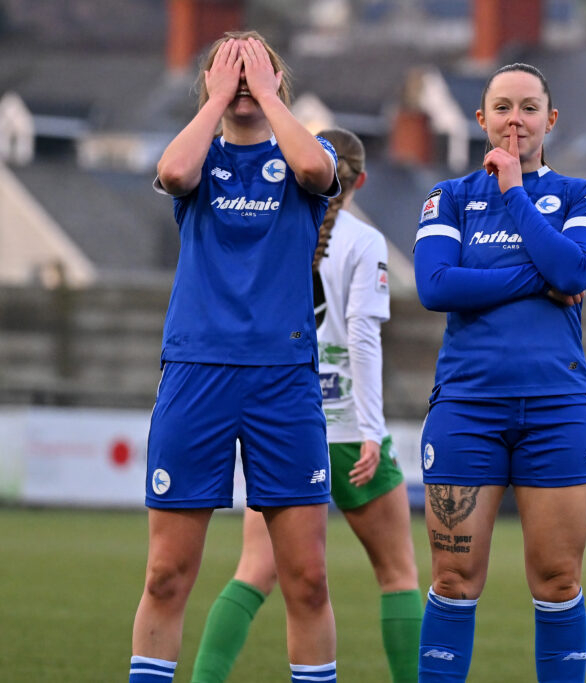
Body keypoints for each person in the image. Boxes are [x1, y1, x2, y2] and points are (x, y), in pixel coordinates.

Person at [130, 32, 341, 683]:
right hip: (198, 372)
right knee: (166, 574)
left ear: (281, 85)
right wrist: (219, 97)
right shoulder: (198, 156)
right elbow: (171, 174)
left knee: (306, 579)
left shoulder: (308, 152)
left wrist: (271, 99)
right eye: (231, 70)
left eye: (261, 70)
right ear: (210, 85)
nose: (246, 79)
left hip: (284, 379)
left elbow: (317, 173)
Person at [189, 128, 423, 683]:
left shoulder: (269, 229)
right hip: (346, 430)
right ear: (362, 180)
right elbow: (364, 341)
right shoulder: (364, 242)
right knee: (398, 574)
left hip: (284, 426)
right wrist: (373, 430)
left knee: (252, 574)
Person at [413, 62, 586, 682]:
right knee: (451, 578)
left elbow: (575, 273)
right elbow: (435, 285)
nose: (515, 119)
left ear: (550, 120)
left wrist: (516, 194)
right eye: (502, 107)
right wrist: (539, 277)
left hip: (557, 411)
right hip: (467, 411)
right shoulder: (448, 197)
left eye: (529, 107)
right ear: (481, 119)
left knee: (558, 581)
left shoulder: (583, 195)